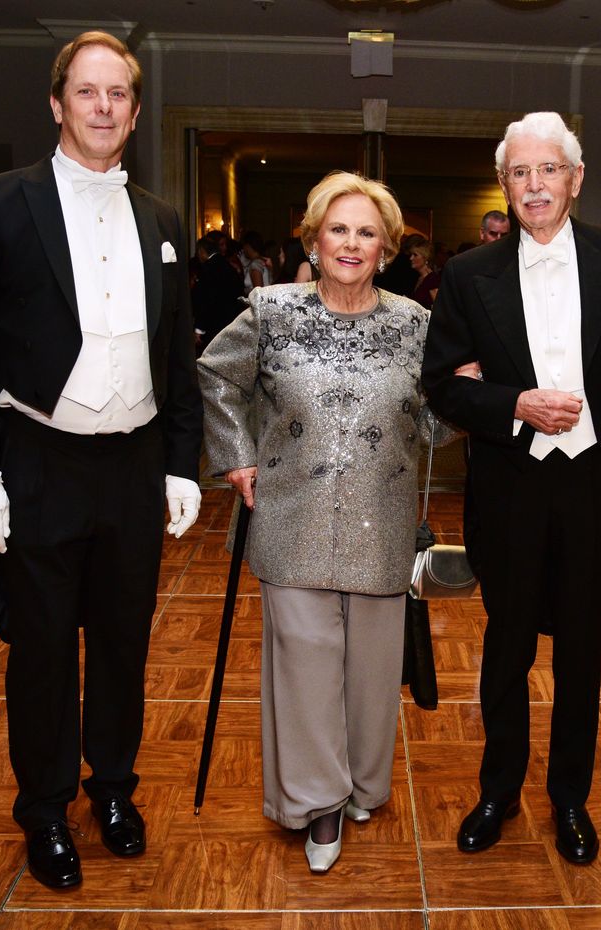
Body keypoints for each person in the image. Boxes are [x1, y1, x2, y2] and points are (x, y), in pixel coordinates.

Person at [0, 31, 203, 890]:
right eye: (86, 92)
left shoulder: (161, 217)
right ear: (57, 104)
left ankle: (113, 791)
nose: (102, 107)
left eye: (117, 93)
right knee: (44, 650)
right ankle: (45, 811)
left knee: (124, 644)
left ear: (132, 109)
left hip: (133, 468)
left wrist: (182, 464)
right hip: (40, 462)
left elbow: (176, 356)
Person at [423, 112, 601, 866]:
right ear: (506, 185)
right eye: (520, 173)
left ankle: (570, 800)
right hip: (510, 485)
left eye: (549, 170)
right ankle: (497, 791)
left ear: (575, 179)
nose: (535, 186)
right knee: (507, 645)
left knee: (582, 652)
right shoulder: (468, 276)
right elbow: (441, 387)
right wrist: (514, 404)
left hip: (599, 482)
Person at [198, 171, 456, 875]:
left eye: (367, 232)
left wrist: (474, 384)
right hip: (289, 517)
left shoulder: (416, 324)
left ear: (388, 247)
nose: (351, 243)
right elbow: (216, 376)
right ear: (313, 236)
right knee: (307, 663)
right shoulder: (271, 309)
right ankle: (318, 804)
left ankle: (364, 785)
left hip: (384, 515)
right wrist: (237, 456)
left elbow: (435, 425)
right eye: (338, 229)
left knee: (373, 667)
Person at [192, 234, 243, 355]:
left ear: (201, 251)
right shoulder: (228, 265)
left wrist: (199, 328)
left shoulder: (207, 268)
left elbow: (205, 300)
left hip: (213, 324)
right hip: (231, 321)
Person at [410, 241, 441, 310]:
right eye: (411, 254)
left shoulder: (432, 279)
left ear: (426, 258)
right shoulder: (420, 277)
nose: (411, 258)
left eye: (415, 255)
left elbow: (439, 307)